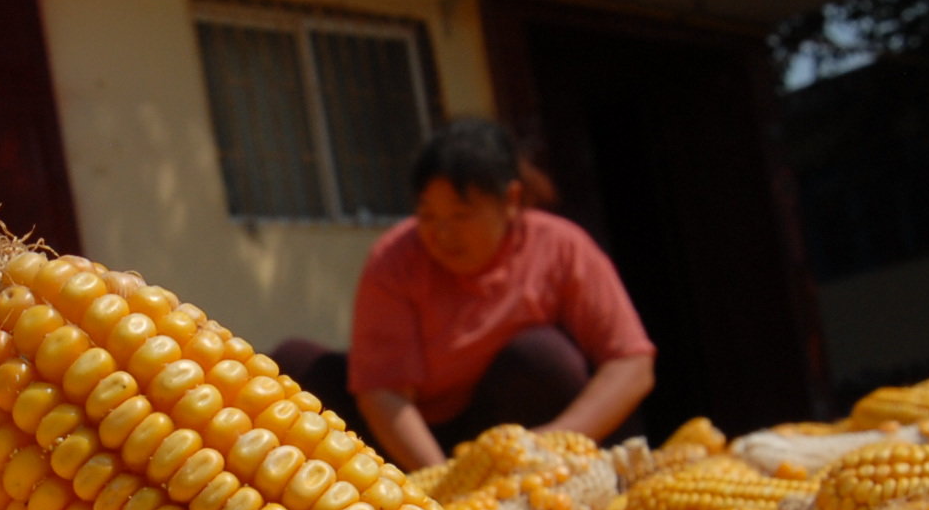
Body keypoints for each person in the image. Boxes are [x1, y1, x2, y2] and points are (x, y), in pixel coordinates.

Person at [273, 118, 657, 471]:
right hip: (413, 437)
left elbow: (631, 363)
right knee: (295, 365)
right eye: (428, 216)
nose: (442, 234)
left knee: (543, 357)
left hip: (513, 433)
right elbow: (383, 393)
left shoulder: (560, 246)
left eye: (461, 215)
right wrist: (440, 480)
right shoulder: (394, 259)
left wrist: (557, 440)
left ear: (510, 201)